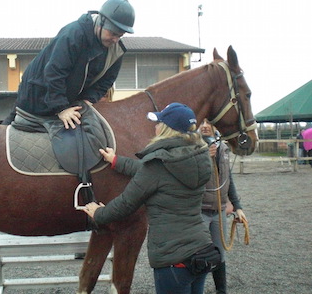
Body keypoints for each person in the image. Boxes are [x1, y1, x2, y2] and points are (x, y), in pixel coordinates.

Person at [84, 103, 220, 294]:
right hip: (201, 251)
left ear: (166, 129)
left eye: (159, 122)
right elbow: (151, 171)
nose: (155, 126)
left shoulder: (158, 164)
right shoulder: (199, 157)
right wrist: (116, 161)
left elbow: (126, 203)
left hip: (174, 258)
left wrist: (98, 213)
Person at [2, 0, 135, 128]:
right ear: (101, 21)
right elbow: (54, 72)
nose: (116, 40)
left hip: (68, 100)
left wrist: (87, 101)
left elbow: (106, 81)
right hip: (36, 95)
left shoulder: (116, 51)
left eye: (120, 35)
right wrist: (61, 108)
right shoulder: (73, 35)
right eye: (113, 33)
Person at [199, 119, 248, 294]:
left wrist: (237, 206)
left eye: (208, 122)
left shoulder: (223, 147)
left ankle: (221, 290)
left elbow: (228, 179)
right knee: (199, 253)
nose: (204, 125)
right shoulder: (194, 147)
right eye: (201, 122)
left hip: (219, 211)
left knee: (219, 253)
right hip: (200, 211)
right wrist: (204, 155)